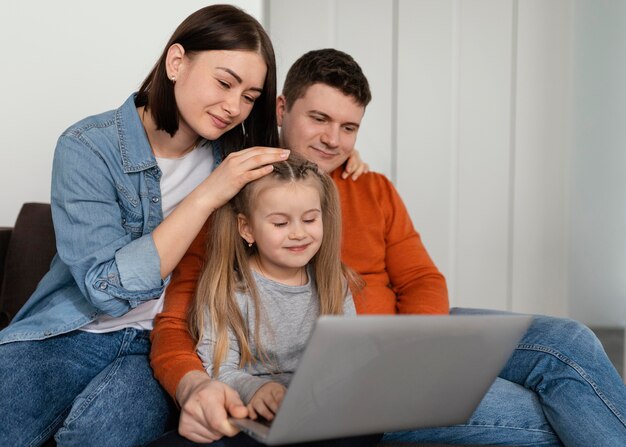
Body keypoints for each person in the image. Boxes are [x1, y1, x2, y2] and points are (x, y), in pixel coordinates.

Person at [150, 49, 626, 447]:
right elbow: (177, 322)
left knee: (570, 341)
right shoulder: (235, 195)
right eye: (318, 118)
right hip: (341, 377)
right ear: (280, 110)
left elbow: (421, 279)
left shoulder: (372, 187)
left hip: (411, 340)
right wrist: (195, 386)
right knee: (541, 411)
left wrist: (414, 353)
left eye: (349, 127)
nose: (332, 139)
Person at [0, 5, 296, 447]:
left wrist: (346, 159)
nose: (235, 107)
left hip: (163, 346)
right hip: (70, 331)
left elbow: (305, 169)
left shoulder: (236, 157)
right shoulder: (87, 146)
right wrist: (208, 193)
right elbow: (104, 289)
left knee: (98, 436)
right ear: (176, 62)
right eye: (224, 82)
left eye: (250, 96)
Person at [149, 154, 380, 447]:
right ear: (247, 229)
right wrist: (257, 390)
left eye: (310, 219)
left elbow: (348, 360)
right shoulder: (229, 290)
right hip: (248, 415)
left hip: (317, 416)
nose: (298, 233)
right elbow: (220, 370)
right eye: (281, 223)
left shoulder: (334, 283)